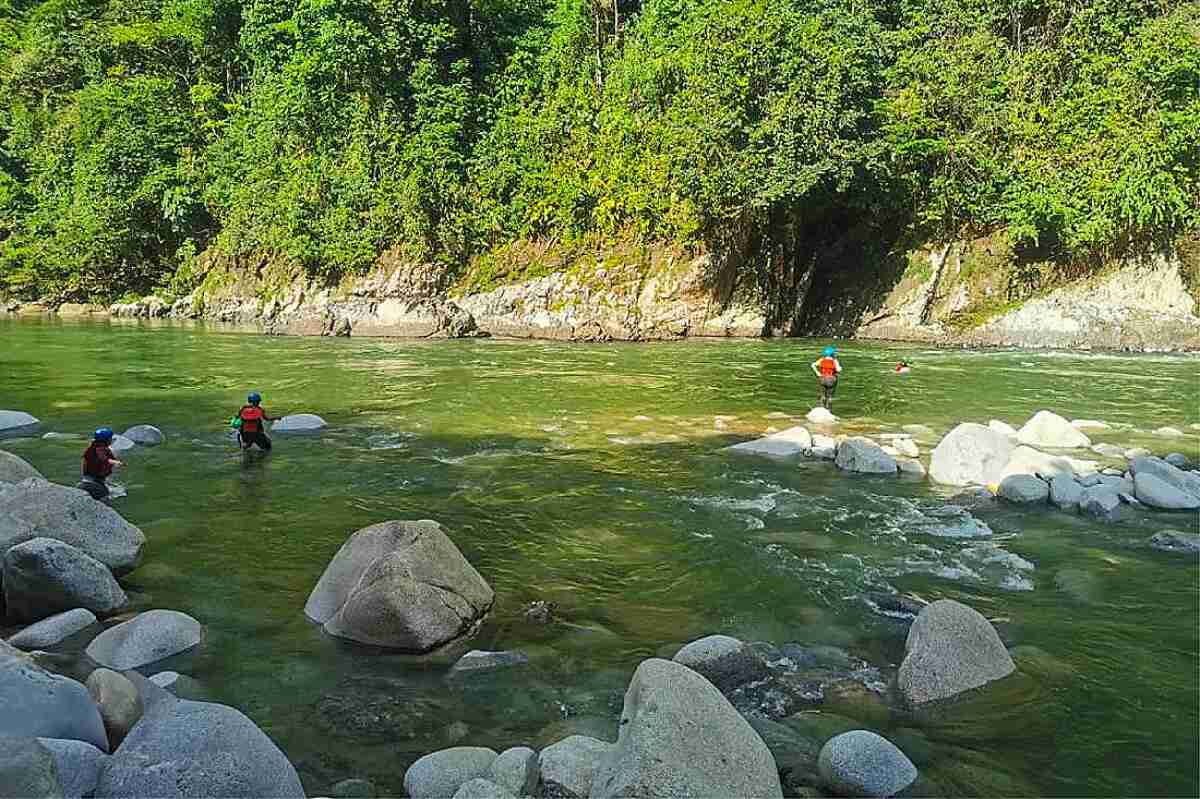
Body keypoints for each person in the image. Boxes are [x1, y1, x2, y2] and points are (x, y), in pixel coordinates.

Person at [79, 428, 124, 500]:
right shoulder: (98, 449)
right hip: (94, 480)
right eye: (110, 438)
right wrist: (114, 462)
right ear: (106, 440)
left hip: (92, 478)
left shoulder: (95, 447)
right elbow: (102, 459)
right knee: (105, 496)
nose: (112, 440)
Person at [810, 346, 842, 410]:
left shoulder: (822, 359)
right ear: (832, 354)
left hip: (822, 378)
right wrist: (840, 368)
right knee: (830, 396)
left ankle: (822, 409)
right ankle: (829, 410)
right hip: (831, 379)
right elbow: (838, 370)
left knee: (823, 396)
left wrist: (818, 373)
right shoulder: (834, 360)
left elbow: (813, 365)